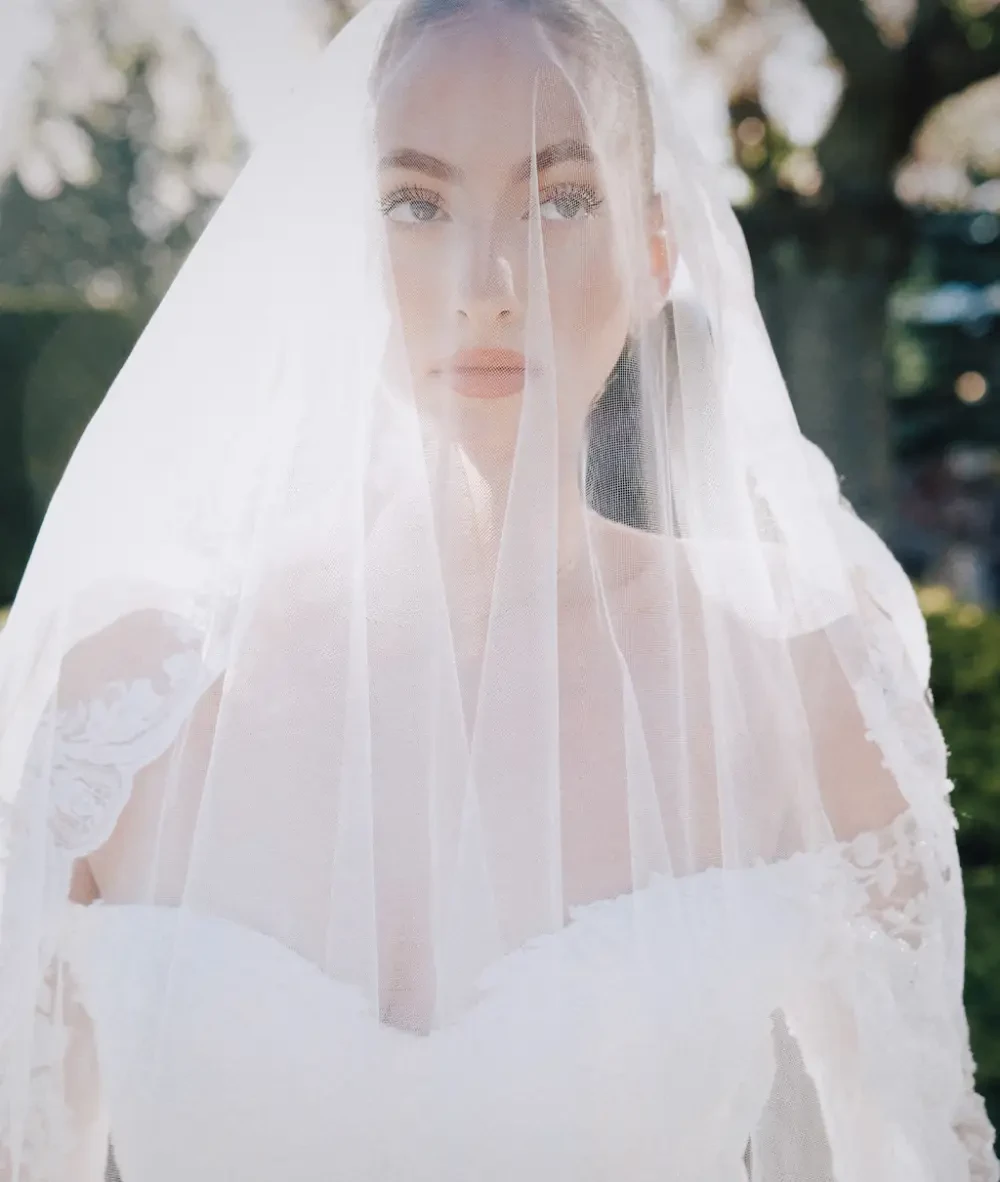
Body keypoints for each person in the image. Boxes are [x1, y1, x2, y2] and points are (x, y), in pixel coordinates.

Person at [0, 0, 996, 1178]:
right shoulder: (124, 709)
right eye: (416, 204)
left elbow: (911, 1151)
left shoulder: (801, 689)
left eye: (561, 199)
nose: (487, 282)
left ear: (654, 255)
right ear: (351, 246)